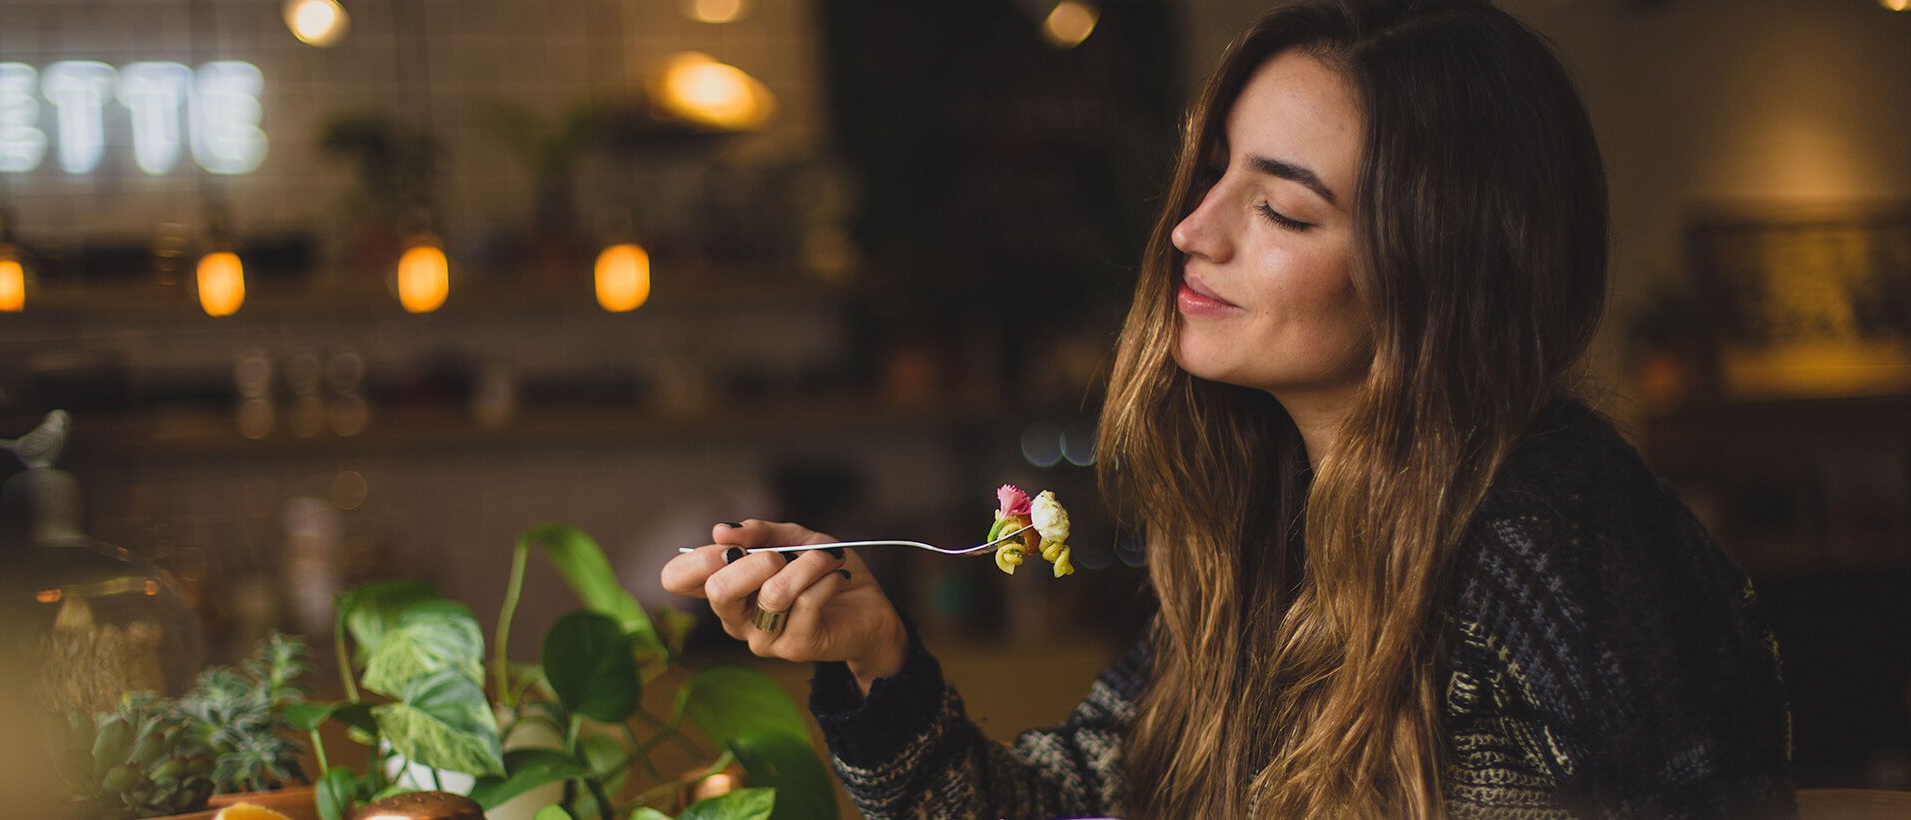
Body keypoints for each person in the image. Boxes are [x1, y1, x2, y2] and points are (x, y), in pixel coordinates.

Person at [659, 0, 1796, 816]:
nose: (1192, 230)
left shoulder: (1534, 542)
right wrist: (873, 653)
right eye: (1214, 175)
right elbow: (1069, 800)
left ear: (1440, 272)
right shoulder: (1276, 522)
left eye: (1284, 212)